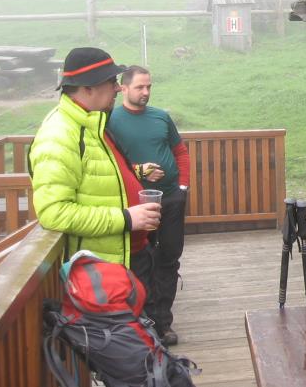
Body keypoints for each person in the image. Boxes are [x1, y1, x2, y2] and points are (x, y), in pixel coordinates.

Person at [29, 47, 161, 266]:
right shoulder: (59, 134)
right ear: (88, 87)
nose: (118, 88)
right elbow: (54, 213)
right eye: (111, 81)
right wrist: (126, 218)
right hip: (103, 269)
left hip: (125, 256)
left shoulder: (92, 123)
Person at [108, 65, 191, 347]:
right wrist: (139, 170)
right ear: (123, 89)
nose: (145, 92)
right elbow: (113, 165)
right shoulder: (110, 121)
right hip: (135, 206)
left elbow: (180, 151)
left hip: (170, 199)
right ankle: (145, 322)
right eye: (140, 87)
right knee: (140, 262)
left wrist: (182, 187)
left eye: (149, 87)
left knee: (168, 259)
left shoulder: (160, 117)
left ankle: (163, 322)